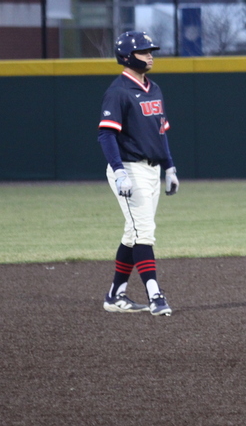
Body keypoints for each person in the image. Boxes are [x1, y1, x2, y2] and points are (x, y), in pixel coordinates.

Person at [98, 31, 179, 316]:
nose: (150, 55)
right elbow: (106, 136)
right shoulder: (118, 91)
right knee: (145, 232)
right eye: (144, 51)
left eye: (150, 50)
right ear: (127, 56)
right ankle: (156, 296)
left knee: (133, 235)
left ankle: (115, 295)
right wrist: (120, 172)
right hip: (130, 168)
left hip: (152, 169)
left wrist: (169, 166)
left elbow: (161, 132)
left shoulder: (154, 89)